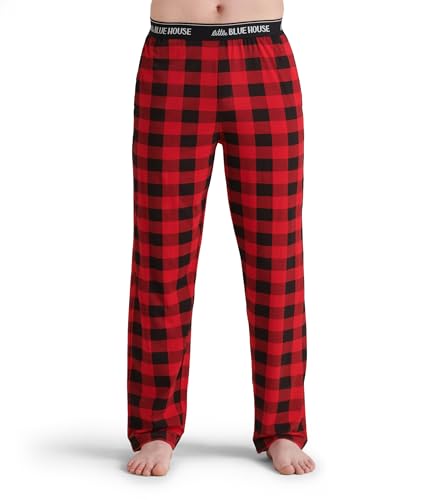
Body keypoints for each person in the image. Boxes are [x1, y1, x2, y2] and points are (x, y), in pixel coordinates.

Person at [126, 0, 316, 476]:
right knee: (162, 254)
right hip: (173, 54)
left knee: (276, 255)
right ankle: (155, 425)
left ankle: (282, 425)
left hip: (262, 53)